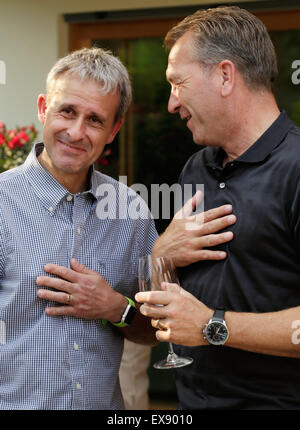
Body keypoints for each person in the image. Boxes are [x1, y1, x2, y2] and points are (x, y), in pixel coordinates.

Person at [0, 47, 235, 410]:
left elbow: (151, 330)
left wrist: (114, 306)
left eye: (95, 120)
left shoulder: (130, 210)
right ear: (44, 108)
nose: (76, 132)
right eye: (67, 111)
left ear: (114, 130)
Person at [135, 6, 300, 410]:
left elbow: (202, 320)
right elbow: (179, 296)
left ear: (224, 76)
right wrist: (161, 256)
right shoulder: (197, 167)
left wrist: (214, 325)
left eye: (178, 83)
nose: (172, 103)